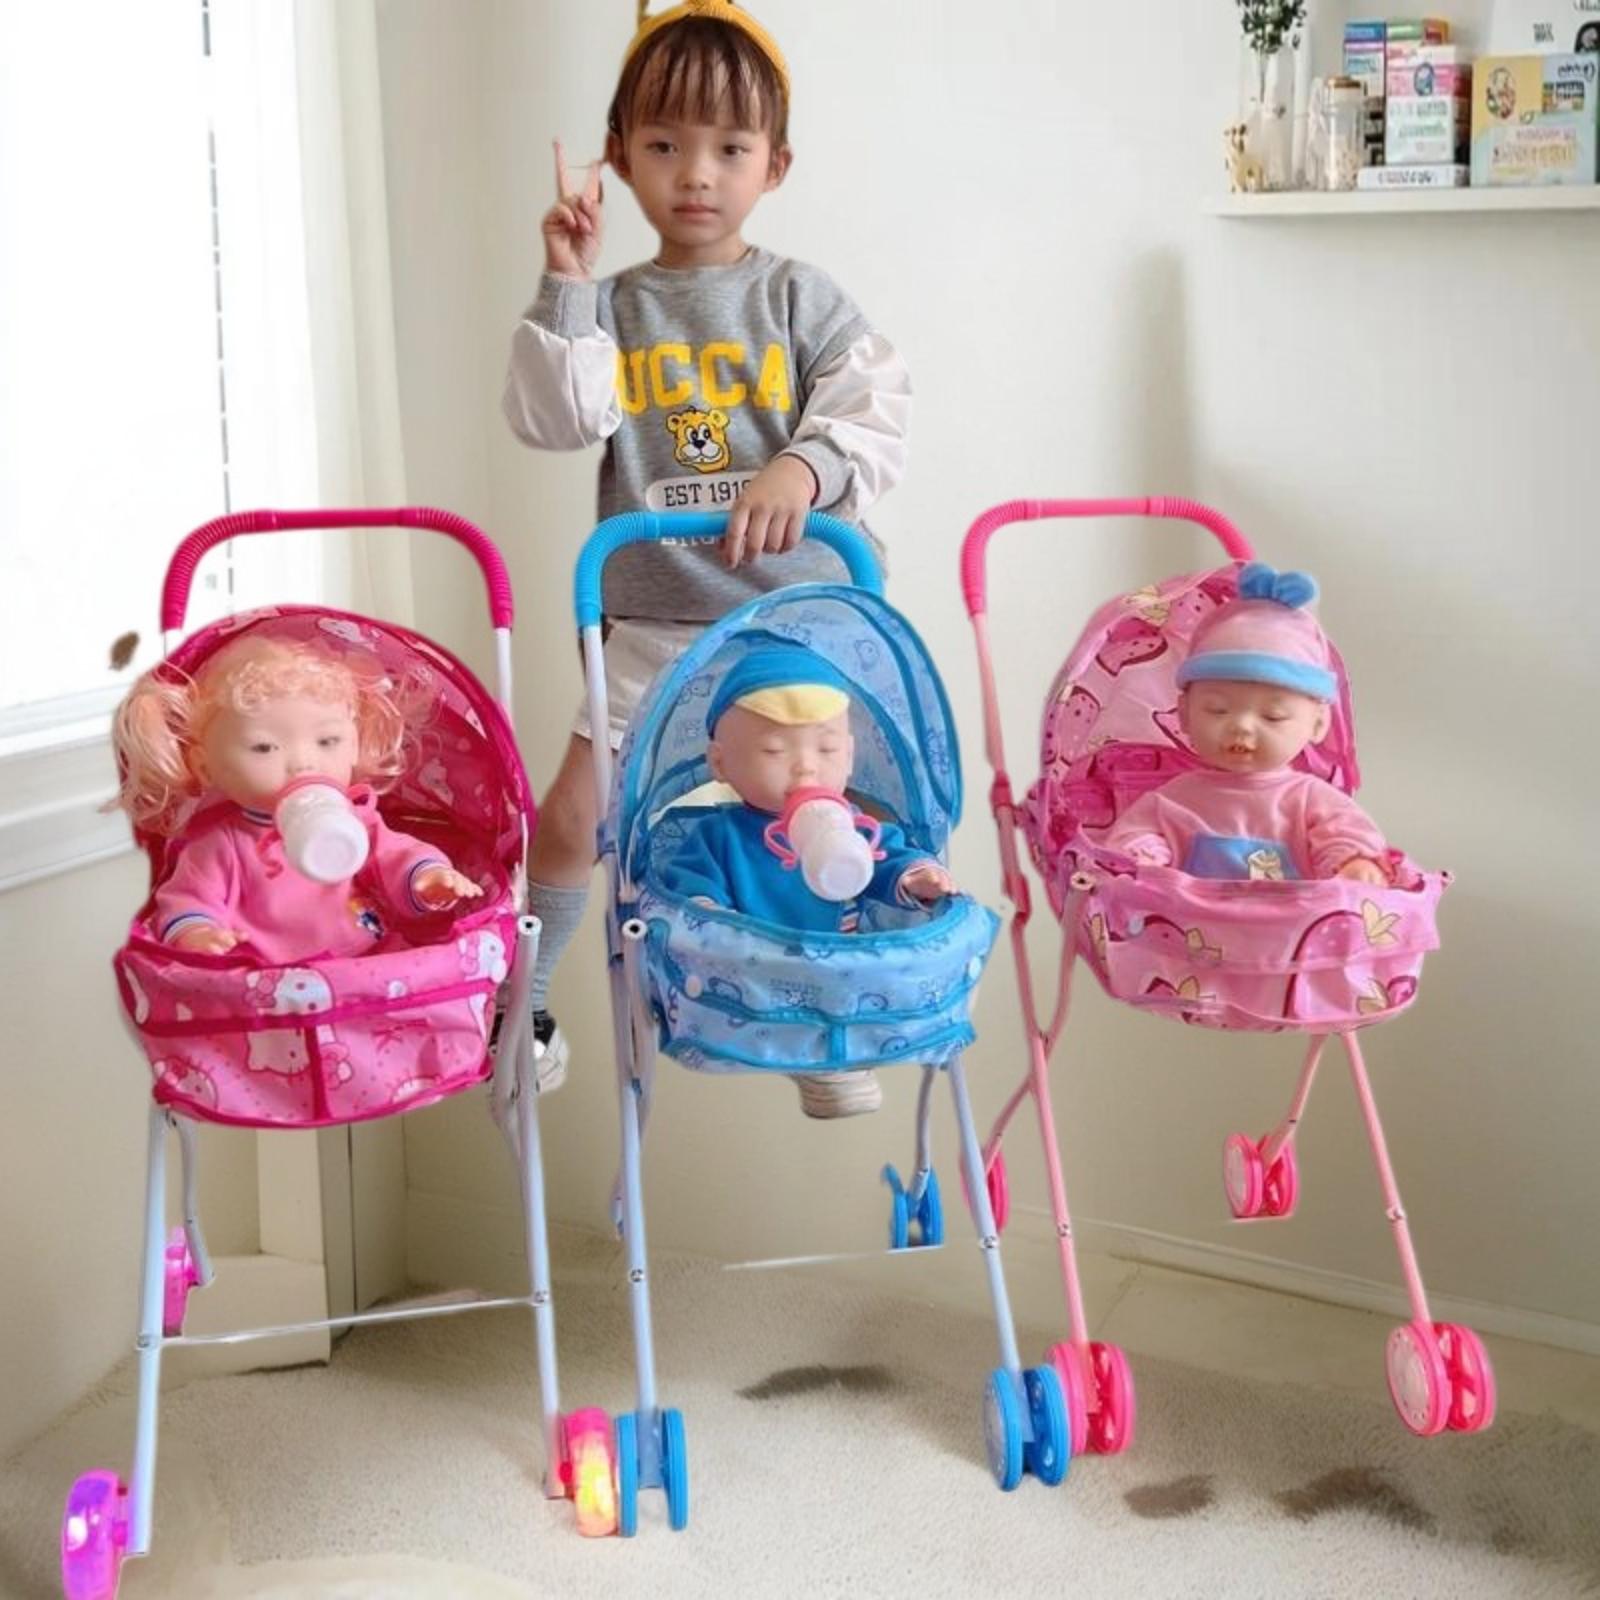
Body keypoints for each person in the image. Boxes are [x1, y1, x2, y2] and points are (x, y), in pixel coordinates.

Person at [501, 0, 912, 1105]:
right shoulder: (613, 306)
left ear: (774, 165)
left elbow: (875, 410)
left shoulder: (798, 298)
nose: (696, 174)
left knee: (821, 816)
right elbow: (552, 417)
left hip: (788, 624)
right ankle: (521, 1004)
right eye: (664, 144)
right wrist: (567, 280)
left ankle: (827, 1021)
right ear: (618, 155)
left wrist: (803, 472)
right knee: (572, 817)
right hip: (653, 621)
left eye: (730, 148)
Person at [660, 645, 953, 1116]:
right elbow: (690, 888)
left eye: (827, 749)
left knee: (883, 980)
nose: (805, 766)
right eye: (775, 750)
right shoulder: (719, 836)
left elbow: (887, 856)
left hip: (838, 973)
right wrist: (707, 916)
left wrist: (917, 876)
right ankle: (821, 1055)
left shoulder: (851, 823)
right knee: (727, 960)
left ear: (850, 756)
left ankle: (840, 1053)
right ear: (720, 763)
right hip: (753, 978)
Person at [112, 635, 482, 965]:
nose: (303, 762)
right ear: (204, 766)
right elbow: (188, 901)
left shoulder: (355, 821)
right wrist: (199, 934)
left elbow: (398, 855)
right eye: (264, 747)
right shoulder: (221, 845)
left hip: (368, 964)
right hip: (267, 984)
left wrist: (428, 878)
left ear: (355, 745)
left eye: (327, 741)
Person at [1104, 565, 1390, 884]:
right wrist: (1143, 859)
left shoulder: (1311, 801)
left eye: (1273, 716)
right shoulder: (1172, 800)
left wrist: (1352, 863)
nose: (1241, 726)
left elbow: (1345, 837)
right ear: (1184, 714)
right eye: (1217, 710)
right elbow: (1135, 837)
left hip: (1292, 918)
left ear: (1318, 724)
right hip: (1193, 917)